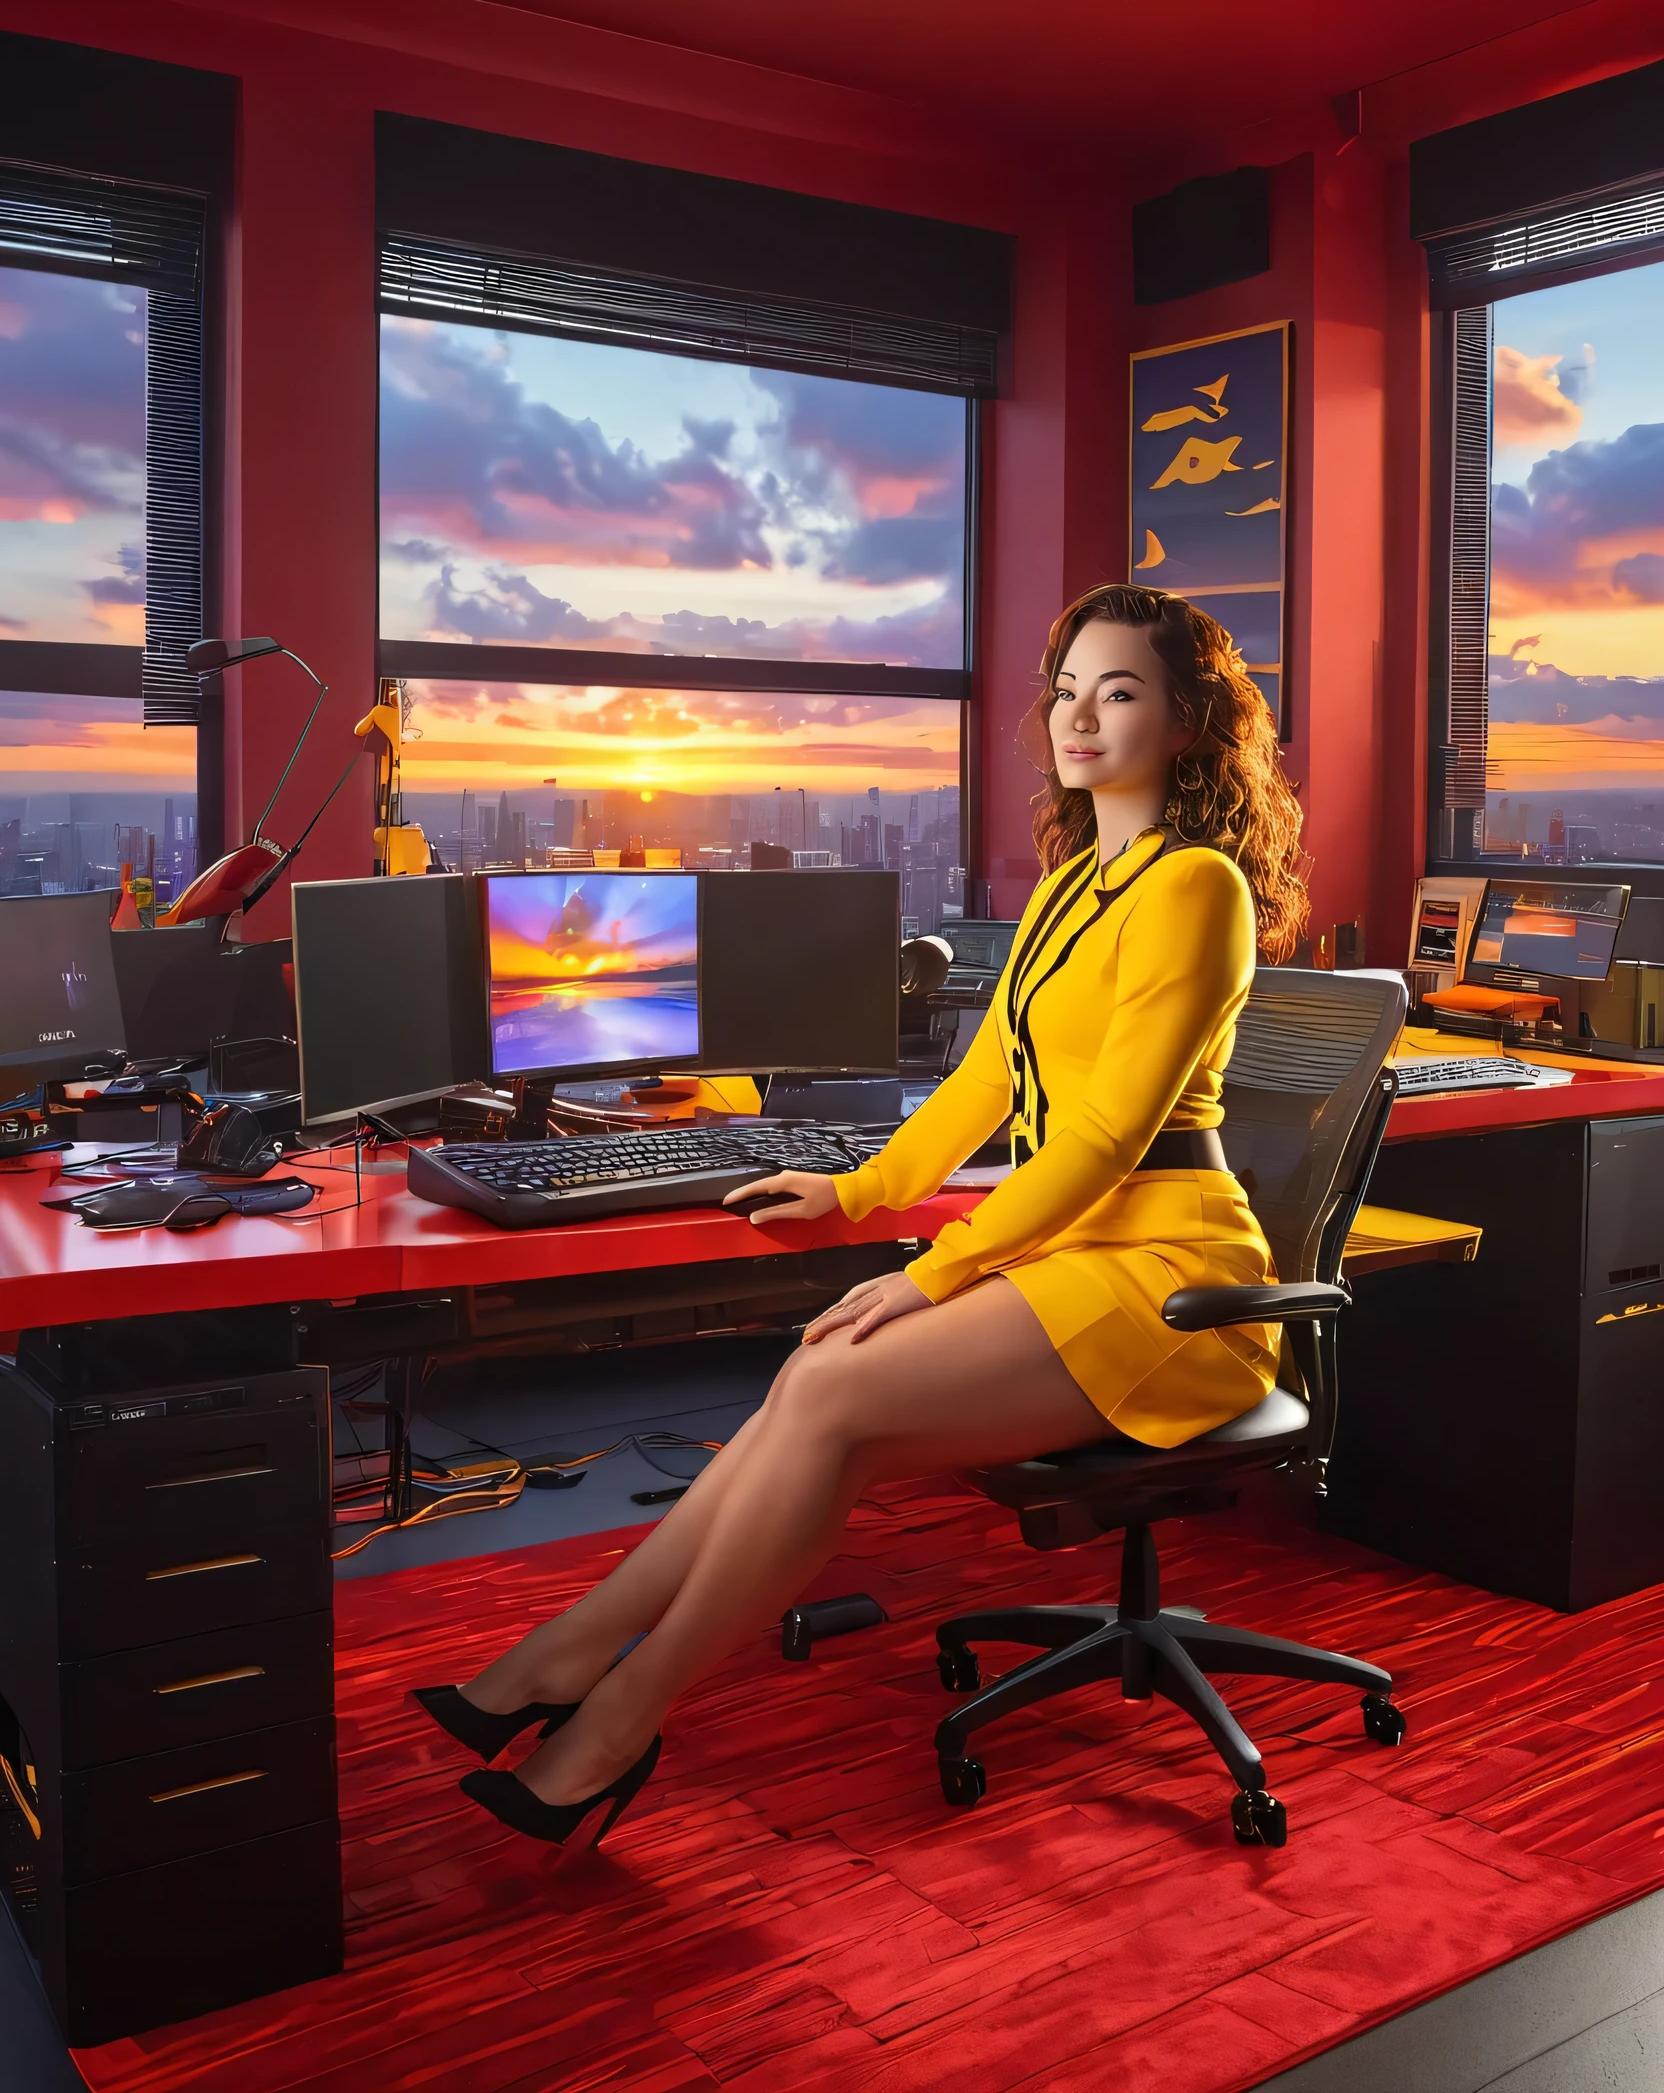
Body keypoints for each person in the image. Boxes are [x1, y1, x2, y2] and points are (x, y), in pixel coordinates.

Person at [413, 583, 1310, 1847]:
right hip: (1067, 1253)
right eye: (1067, 688)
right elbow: (983, 1080)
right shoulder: (1067, 886)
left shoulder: (1193, 886)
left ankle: (610, 1721)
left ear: (1185, 723)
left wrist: (932, 1268)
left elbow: (1108, 1138)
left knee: (830, 1392)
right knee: (816, 1374)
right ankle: (569, 1658)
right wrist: (856, 1188)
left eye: (1119, 691)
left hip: (1169, 1277)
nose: (1080, 715)